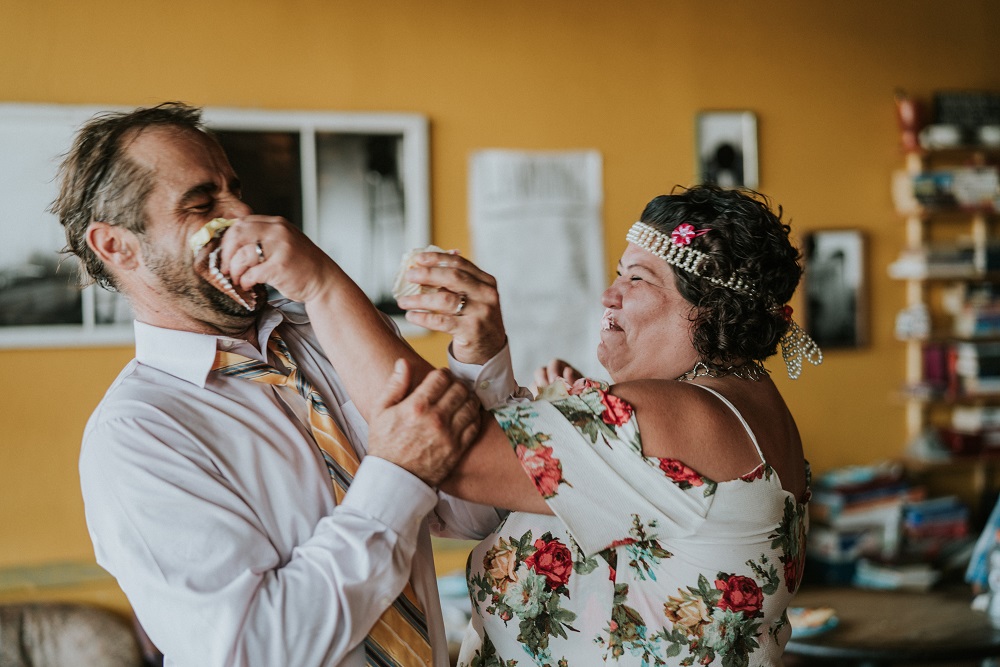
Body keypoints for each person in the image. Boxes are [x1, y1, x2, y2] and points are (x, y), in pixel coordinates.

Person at [223, 184, 823, 666]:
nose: (609, 294)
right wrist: (487, 353)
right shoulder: (742, 410)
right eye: (619, 272)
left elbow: (439, 451)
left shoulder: (675, 417)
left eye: (639, 280)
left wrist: (321, 284)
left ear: (711, 312)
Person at [54, 102, 515, 667]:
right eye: (202, 204)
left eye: (234, 190)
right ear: (116, 246)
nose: (241, 212)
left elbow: (474, 514)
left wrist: (479, 356)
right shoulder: (135, 436)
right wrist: (397, 475)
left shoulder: (324, 331)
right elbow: (256, 650)